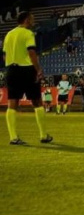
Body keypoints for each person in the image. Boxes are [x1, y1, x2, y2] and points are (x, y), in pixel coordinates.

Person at [2, 11, 53, 145]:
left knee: (12, 103)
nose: (33, 21)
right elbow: (31, 52)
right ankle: (43, 135)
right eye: (31, 19)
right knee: (37, 102)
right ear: (26, 20)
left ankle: (13, 137)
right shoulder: (28, 33)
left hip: (12, 70)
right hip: (27, 70)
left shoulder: (9, 34)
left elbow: (4, 55)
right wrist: (38, 70)